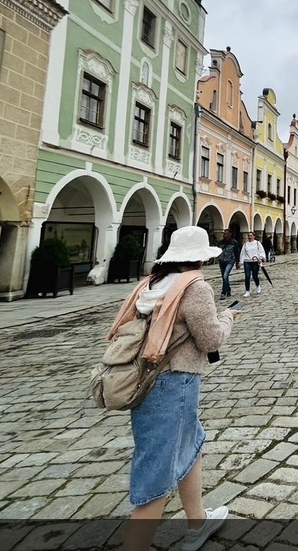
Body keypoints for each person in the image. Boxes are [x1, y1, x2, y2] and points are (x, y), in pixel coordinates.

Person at [112, 226, 241, 551]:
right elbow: (210, 339)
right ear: (198, 256)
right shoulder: (194, 287)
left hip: (147, 379)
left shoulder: (152, 283)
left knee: (191, 444)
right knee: (155, 470)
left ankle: (198, 521)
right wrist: (227, 318)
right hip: (174, 383)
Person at [239, 231, 265, 297]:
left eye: (251, 235)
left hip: (255, 261)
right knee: (247, 276)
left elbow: (261, 251)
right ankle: (247, 290)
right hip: (247, 261)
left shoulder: (257, 243)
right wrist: (241, 262)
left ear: (254, 236)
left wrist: (261, 258)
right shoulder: (245, 244)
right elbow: (243, 253)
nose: (250, 237)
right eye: (249, 236)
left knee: (254, 276)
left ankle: (258, 285)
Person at [216, 230, 239, 300]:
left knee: (226, 275)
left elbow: (236, 252)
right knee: (224, 277)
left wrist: (237, 262)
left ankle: (224, 292)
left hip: (230, 261)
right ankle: (228, 289)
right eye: (224, 234)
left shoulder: (234, 242)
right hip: (222, 261)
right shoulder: (220, 242)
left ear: (230, 234)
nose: (224, 235)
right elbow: (217, 251)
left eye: (226, 234)